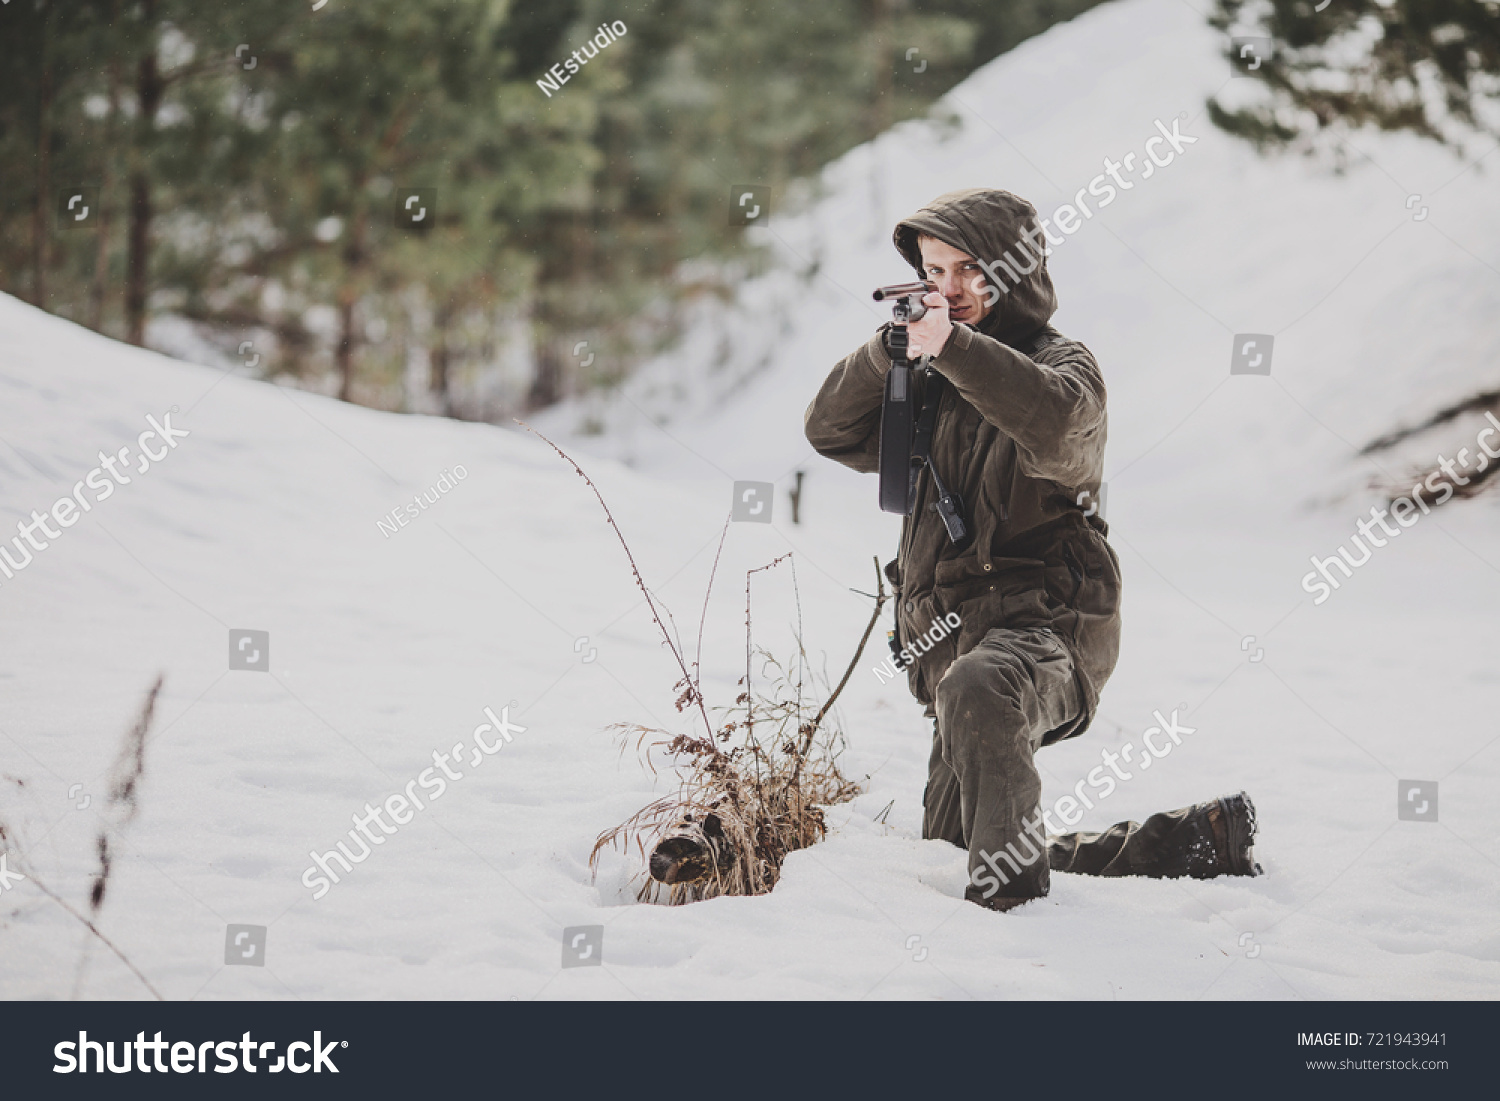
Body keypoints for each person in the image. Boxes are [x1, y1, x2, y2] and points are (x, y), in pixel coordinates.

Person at [803, 188, 1261, 911]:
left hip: (1050, 629)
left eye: (964, 271)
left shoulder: (1067, 366)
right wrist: (886, 353)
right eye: (932, 270)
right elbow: (829, 432)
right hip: (954, 645)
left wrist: (952, 348)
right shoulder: (927, 373)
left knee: (982, 692)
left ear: (1011, 271)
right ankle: (1192, 839)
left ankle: (1009, 929)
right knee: (958, 846)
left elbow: (1056, 432)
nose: (946, 290)